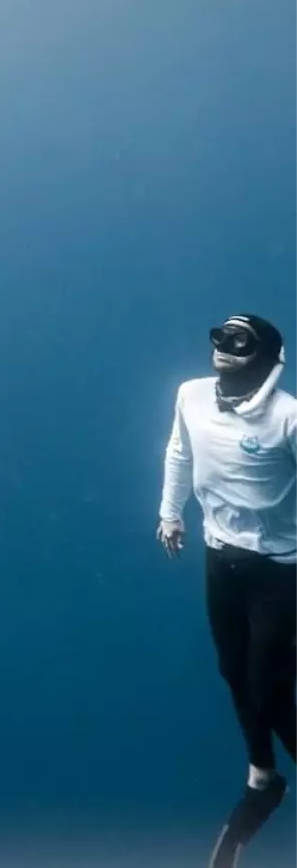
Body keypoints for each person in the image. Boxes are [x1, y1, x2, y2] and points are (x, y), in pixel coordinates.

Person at [158, 314, 297, 837]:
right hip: (220, 558)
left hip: (281, 569)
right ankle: (262, 772)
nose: (224, 345)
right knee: (232, 670)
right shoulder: (190, 395)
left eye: (240, 340)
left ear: (265, 356)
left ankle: (269, 771)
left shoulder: (289, 419)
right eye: (219, 335)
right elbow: (179, 452)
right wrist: (170, 513)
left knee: (269, 685)